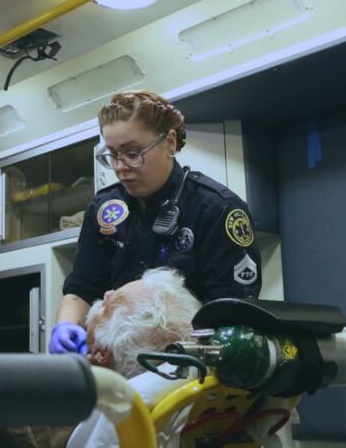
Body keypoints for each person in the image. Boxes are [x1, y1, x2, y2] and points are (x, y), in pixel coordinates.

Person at [49, 90, 262, 355]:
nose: (120, 166)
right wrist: (66, 325)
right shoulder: (103, 209)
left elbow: (231, 310)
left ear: (170, 143)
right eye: (112, 154)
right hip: (118, 358)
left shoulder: (216, 209)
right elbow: (81, 288)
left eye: (133, 152)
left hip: (191, 363)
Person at [68, 268, 291, 448]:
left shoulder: (113, 415)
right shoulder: (235, 385)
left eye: (109, 304)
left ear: (101, 353)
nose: (106, 293)